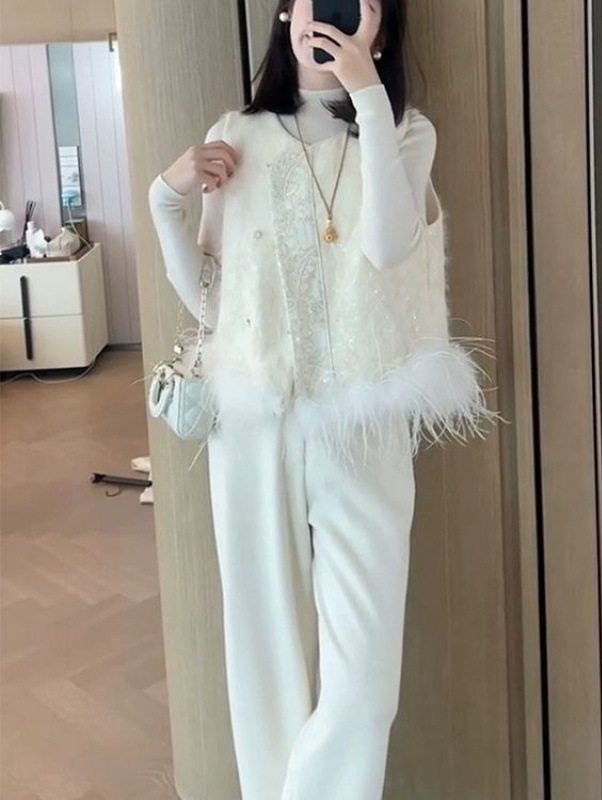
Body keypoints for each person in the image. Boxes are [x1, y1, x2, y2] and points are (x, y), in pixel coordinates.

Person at [148, 1, 502, 797]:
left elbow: (388, 247)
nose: (331, 10)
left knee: (365, 687)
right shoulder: (236, 133)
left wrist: (367, 92)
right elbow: (213, 299)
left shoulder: (405, 131)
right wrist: (164, 200)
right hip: (253, 426)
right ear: (285, 14)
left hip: (363, 428)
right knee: (264, 659)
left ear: (381, 24)